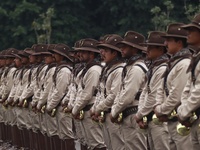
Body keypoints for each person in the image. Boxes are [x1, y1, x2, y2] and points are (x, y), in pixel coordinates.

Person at [154, 23, 192, 150]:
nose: (165, 44)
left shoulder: (184, 63)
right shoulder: (174, 62)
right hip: (171, 119)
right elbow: (162, 88)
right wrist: (159, 107)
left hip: (180, 120)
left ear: (179, 42)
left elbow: (176, 95)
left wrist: (160, 110)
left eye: (169, 40)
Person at [110, 31, 148, 150]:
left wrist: (114, 111)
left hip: (134, 112)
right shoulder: (131, 66)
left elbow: (128, 95)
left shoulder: (137, 68)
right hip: (129, 112)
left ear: (134, 48)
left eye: (125, 46)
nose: (122, 49)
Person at [134, 31, 170, 150]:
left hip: (159, 120)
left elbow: (153, 97)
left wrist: (139, 115)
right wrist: (141, 113)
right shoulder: (155, 67)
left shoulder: (163, 67)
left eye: (150, 47)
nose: (146, 49)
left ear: (160, 49)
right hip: (150, 117)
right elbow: (145, 92)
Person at [72, 38, 106, 150]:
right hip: (85, 108)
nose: (79, 54)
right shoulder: (86, 69)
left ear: (91, 54)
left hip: (90, 108)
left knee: (97, 143)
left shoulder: (94, 70)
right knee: (89, 143)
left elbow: (87, 94)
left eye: (83, 52)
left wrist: (75, 109)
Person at [92, 34, 125, 150]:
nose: (102, 53)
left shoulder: (119, 70)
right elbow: (101, 92)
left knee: (118, 147)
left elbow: (113, 95)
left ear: (115, 53)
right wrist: (97, 109)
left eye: (106, 50)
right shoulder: (109, 69)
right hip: (106, 114)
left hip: (114, 114)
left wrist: (97, 108)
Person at [177, 14, 200, 150]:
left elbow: (198, 91)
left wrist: (184, 112)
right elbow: (188, 88)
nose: (188, 34)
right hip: (194, 117)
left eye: (192, 30)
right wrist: (183, 110)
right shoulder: (196, 57)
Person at [47, 43, 75, 150]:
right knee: (61, 134)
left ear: (62, 56)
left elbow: (60, 91)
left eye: (56, 54)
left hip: (62, 105)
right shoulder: (60, 69)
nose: (53, 56)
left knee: (66, 134)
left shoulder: (64, 71)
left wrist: (50, 106)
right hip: (58, 105)